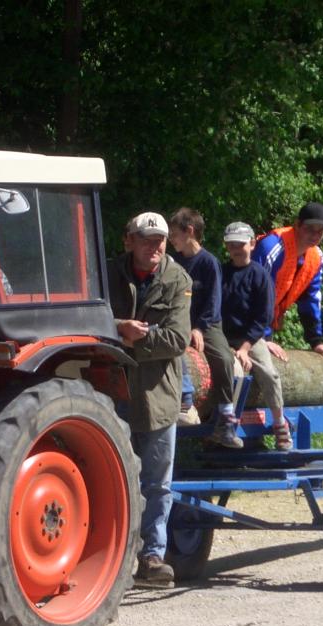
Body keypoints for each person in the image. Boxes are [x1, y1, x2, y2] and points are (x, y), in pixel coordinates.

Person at [108, 212, 191, 588]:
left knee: (157, 483)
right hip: (111, 392)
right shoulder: (109, 272)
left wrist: (131, 340)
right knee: (112, 479)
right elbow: (89, 319)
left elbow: (177, 339)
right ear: (129, 240)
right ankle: (110, 560)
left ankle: (152, 558)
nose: (155, 246)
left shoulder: (177, 279)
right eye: (146, 239)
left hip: (158, 395)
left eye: (160, 240)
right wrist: (118, 328)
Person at [252, 202, 323, 383]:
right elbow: (254, 294)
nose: (315, 235)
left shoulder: (315, 257)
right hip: (239, 320)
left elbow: (311, 299)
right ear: (297, 225)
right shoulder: (272, 247)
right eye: (310, 229)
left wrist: (316, 340)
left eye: (320, 231)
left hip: (260, 325)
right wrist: (261, 337)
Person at [167, 207, 243, 448]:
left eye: (174, 234)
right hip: (178, 321)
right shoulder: (172, 262)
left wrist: (199, 328)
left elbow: (213, 301)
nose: (171, 240)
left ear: (189, 231)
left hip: (207, 324)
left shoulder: (209, 262)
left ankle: (226, 421)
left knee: (224, 358)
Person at [220, 221, 292, 450]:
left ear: (252, 244)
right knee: (233, 372)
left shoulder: (260, 275)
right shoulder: (221, 273)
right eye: (231, 245)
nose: (235, 249)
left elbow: (264, 317)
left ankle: (280, 422)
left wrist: (245, 347)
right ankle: (226, 424)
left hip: (250, 337)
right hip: (223, 337)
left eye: (240, 244)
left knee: (269, 374)